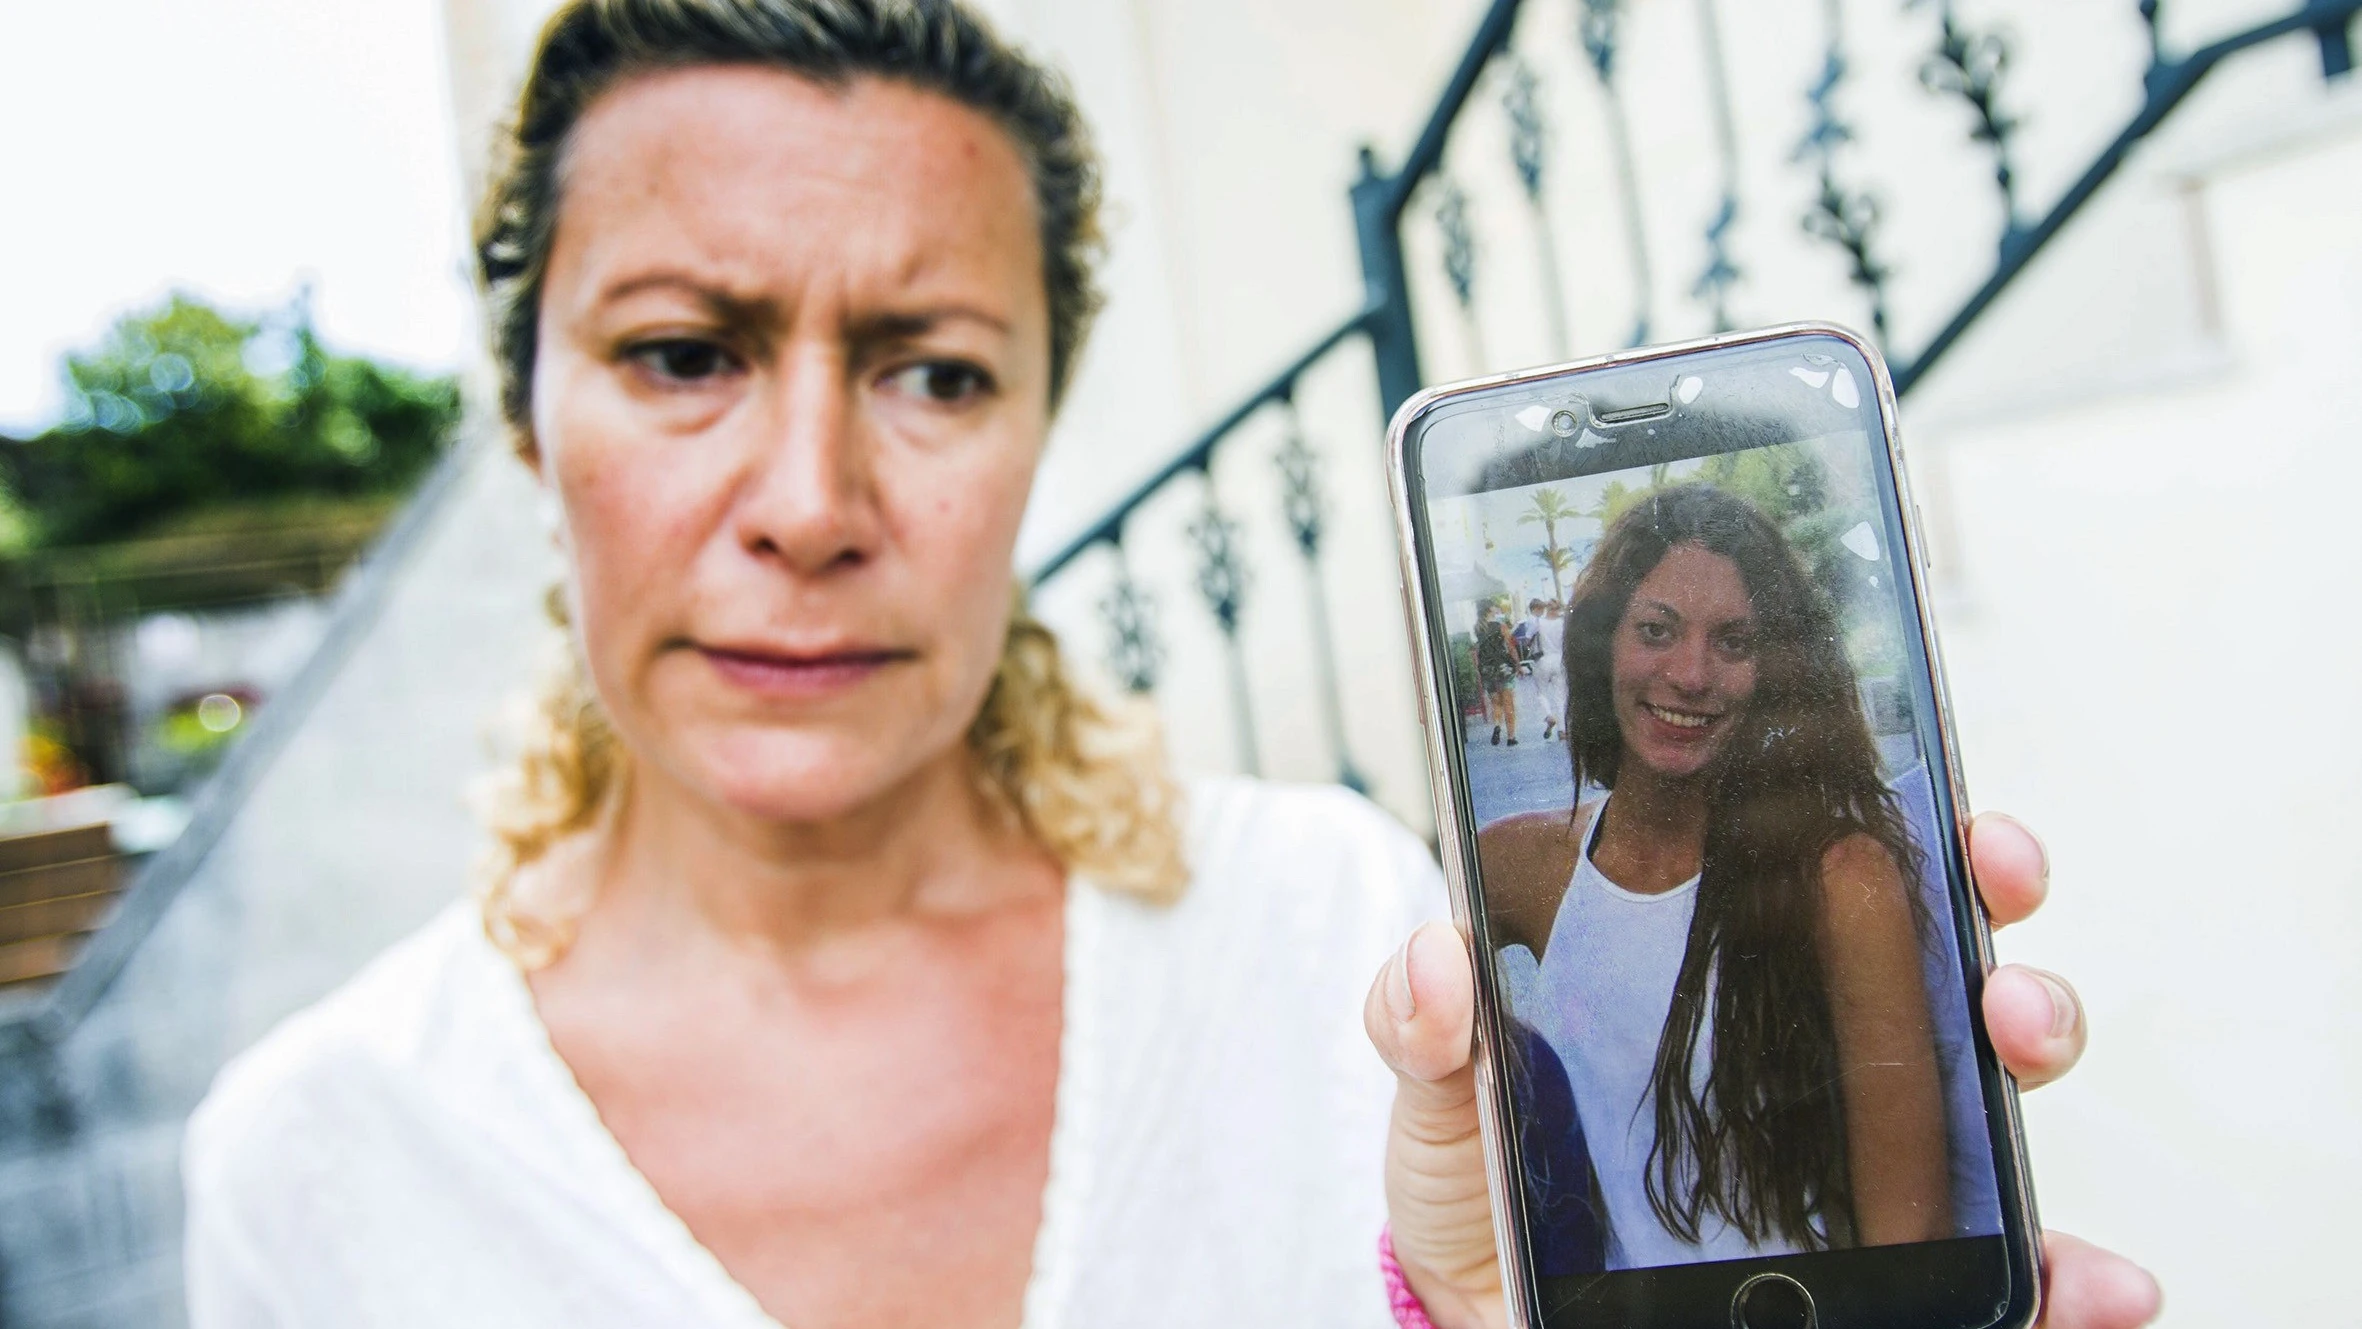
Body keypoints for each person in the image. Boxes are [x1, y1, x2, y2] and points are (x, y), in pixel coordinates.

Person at [180, 3, 2157, 1327]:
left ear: (1041, 419)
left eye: (932, 370)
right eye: (681, 353)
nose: (805, 498)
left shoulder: (1330, 927)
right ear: (524, 421)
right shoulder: (317, 1153)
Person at [1479, 484, 1956, 1272]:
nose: (1691, 673)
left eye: (1734, 642)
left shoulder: (1838, 879)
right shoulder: (1519, 866)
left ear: (1775, 668)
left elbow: (1911, 1243)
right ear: (1603, 646)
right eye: (1657, 631)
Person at [1472, 600, 1521, 747]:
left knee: (1496, 703)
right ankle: (1511, 738)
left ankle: (1497, 725)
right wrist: (1517, 664)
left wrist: (1479, 670)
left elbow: (1476, 651)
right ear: (1489, 610)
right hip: (1503, 667)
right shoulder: (1501, 626)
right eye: (1493, 606)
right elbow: (1511, 647)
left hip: (1487, 669)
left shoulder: (1477, 628)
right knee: (1508, 704)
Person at [1516, 597, 1563, 743]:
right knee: (1560, 696)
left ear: (1547, 609)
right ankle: (1563, 731)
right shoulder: (1562, 622)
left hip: (1542, 660)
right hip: (1559, 659)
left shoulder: (1538, 622)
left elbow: (1527, 640)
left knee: (1541, 692)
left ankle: (1549, 715)